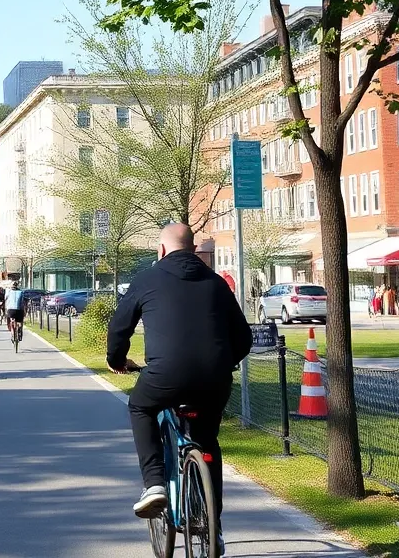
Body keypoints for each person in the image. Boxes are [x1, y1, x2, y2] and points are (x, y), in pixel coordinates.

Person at [107, 223, 252, 556]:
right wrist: (222, 361)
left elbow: (120, 327)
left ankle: (154, 483)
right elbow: (243, 338)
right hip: (215, 378)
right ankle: (213, 526)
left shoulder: (147, 279)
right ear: (194, 248)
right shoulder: (216, 283)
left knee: (141, 407)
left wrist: (117, 360)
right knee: (207, 441)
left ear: (160, 250)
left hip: (165, 376)